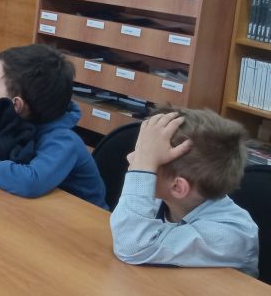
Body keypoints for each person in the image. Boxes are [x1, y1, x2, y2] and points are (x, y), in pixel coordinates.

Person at [0, 44, 107, 208]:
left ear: (16, 105)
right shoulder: (7, 118)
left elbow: (31, 182)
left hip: (80, 222)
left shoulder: (64, 141)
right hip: (30, 210)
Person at [110, 109, 258, 276]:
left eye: (145, 158)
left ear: (177, 187)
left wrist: (142, 169)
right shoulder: (166, 199)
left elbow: (130, 246)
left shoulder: (229, 234)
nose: (130, 157)